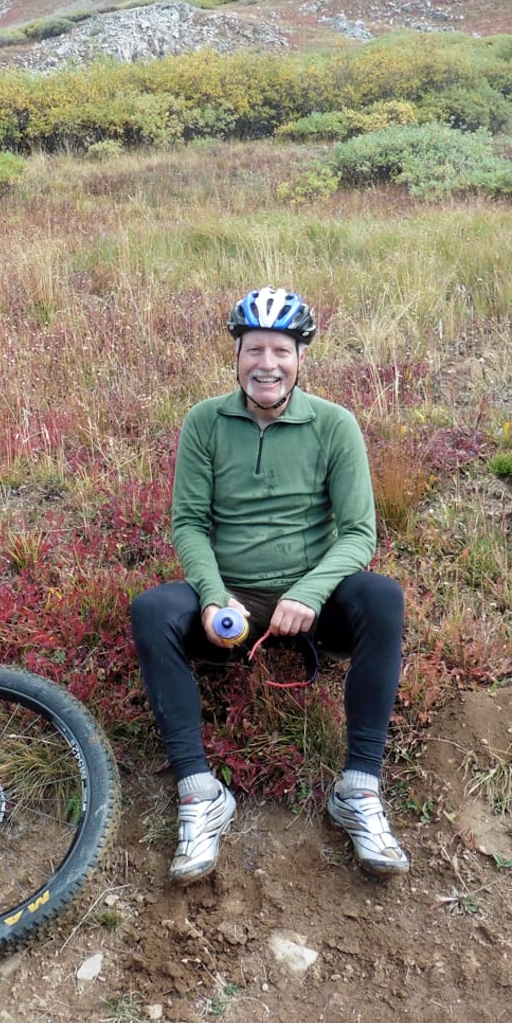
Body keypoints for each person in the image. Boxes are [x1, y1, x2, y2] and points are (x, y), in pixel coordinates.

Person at [130, 285, 409, 884]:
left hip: (314, 602)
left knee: (382, 597)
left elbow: (359, 532)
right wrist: (212, 597)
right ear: (236, 354)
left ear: (300, 356)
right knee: (151, 610)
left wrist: (309, 592)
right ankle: (200, 793)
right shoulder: (204, 422)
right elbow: (189, 524)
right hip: (233, 601)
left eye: (281, 350)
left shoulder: (335, 425)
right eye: (254, 349)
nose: (267, 364)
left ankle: (358, 790)